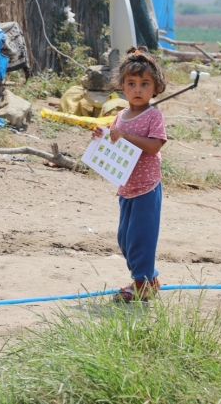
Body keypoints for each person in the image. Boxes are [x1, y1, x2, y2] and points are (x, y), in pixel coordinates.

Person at [91, 46, 167, 303]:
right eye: (131, 83)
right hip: (126, 188)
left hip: (147, 188)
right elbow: (115, 142)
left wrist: (126, 136)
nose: (137, 89)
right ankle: (150, 279)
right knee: (125, 239)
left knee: (140, 240)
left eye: (144, 84)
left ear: (155, 87)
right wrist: (100, 136)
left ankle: (140, 284)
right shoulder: (120, 116)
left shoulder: (153, 116)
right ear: (122, 87)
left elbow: (155, 145)